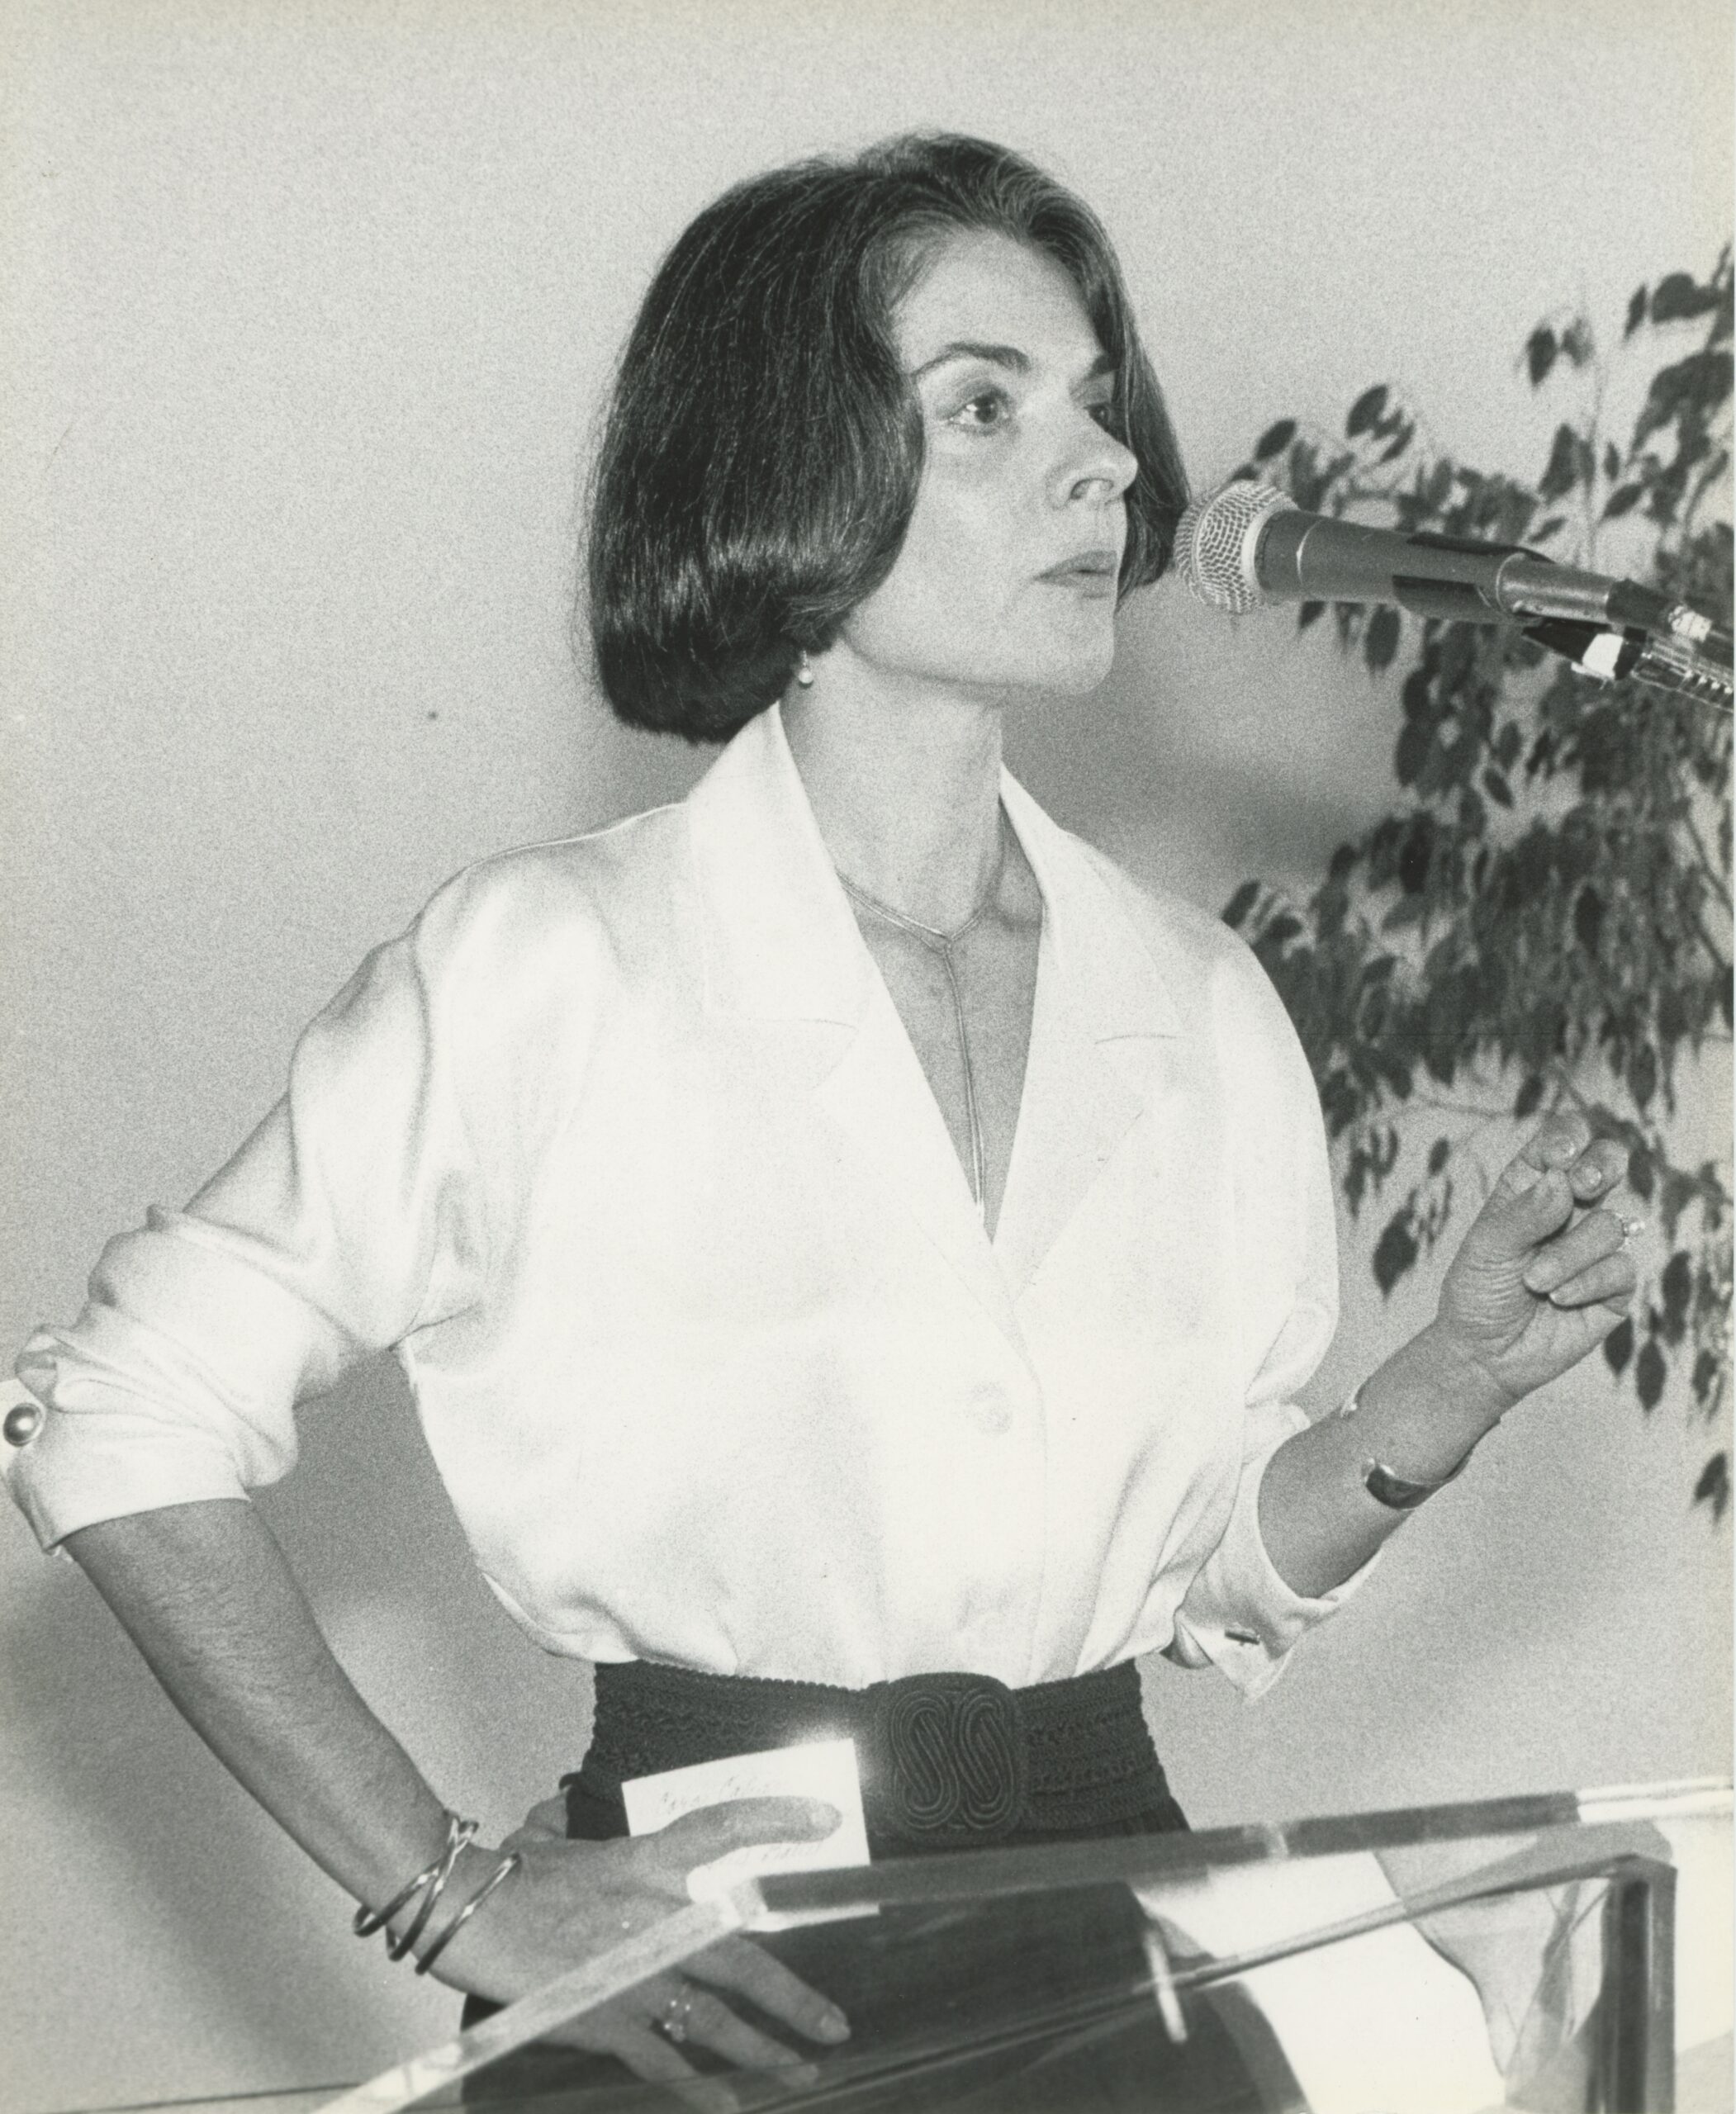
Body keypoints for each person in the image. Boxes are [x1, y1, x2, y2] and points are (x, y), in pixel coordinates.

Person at [3, 135, 1637, 2107]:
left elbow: (1201, 1571)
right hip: (698, 1998)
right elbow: (117, 1412)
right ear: (790, 473)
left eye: (1099, 407)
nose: (1107, 464)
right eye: (984, 403)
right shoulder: (547, 967)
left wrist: (1438, 1389)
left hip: (1111, 1981)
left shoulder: (1201, 1003)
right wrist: (450, 1890)